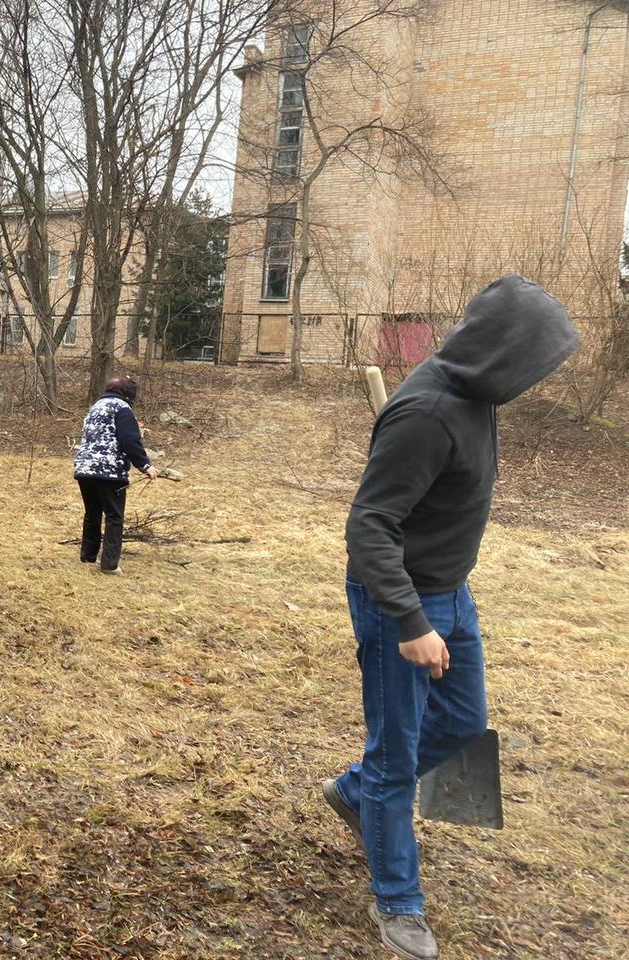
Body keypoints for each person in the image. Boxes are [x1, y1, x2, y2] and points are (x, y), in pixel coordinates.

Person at [321, 276, 578, 960]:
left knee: (463, 725)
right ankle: (399, 904)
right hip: (398, 601)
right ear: (504, 352)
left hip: (451, 593)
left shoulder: (475, 393)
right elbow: (369, 525)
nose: (537, 379)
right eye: (536, 364)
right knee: (397, 755)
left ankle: (354, 792)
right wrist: (409, 622)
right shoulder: (428, 413)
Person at [72, 376, 158, 574]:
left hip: (84, 469)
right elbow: (129, 440)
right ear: (129, 395)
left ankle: (88, 556)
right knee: (114, 516)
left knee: (92, 513)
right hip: (109, 472)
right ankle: (110, 565)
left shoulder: (95, 407)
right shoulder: (122, 409)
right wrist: (145, 465)